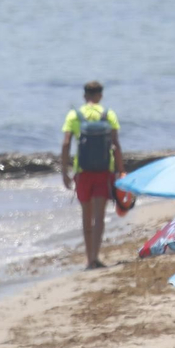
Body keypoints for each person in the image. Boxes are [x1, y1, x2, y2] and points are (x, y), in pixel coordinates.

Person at [60, 81, 124, 270]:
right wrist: (121, 170)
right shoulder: (108, 114)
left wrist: (64, 171)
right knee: (99, 217)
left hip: (83, 172)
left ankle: (89, 259)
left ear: (84, 96)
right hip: (104, 171)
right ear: (100, 96)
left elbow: (65, 144)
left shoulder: (74, 115)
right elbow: (116, 145)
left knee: (86, 217)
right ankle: (95, 256)